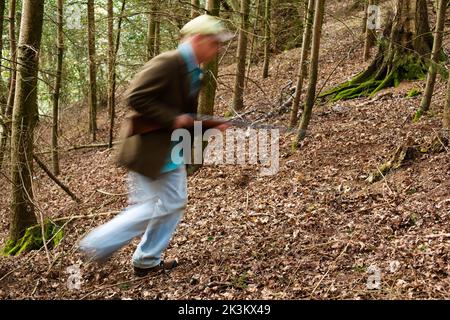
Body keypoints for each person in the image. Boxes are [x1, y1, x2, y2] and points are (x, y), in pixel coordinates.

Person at [78, 15, 233, 277]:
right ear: (198, 39)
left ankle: (147, 259)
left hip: (171, 150)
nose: (217, 49)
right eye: (214, 43)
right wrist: (172, 119)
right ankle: (97, 243)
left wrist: (208, 125)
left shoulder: (194, 70)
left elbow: (182, 115)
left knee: (175, 202)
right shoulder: (169, 62)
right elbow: (136, 97)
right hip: (149, 150)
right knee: (150, 206)